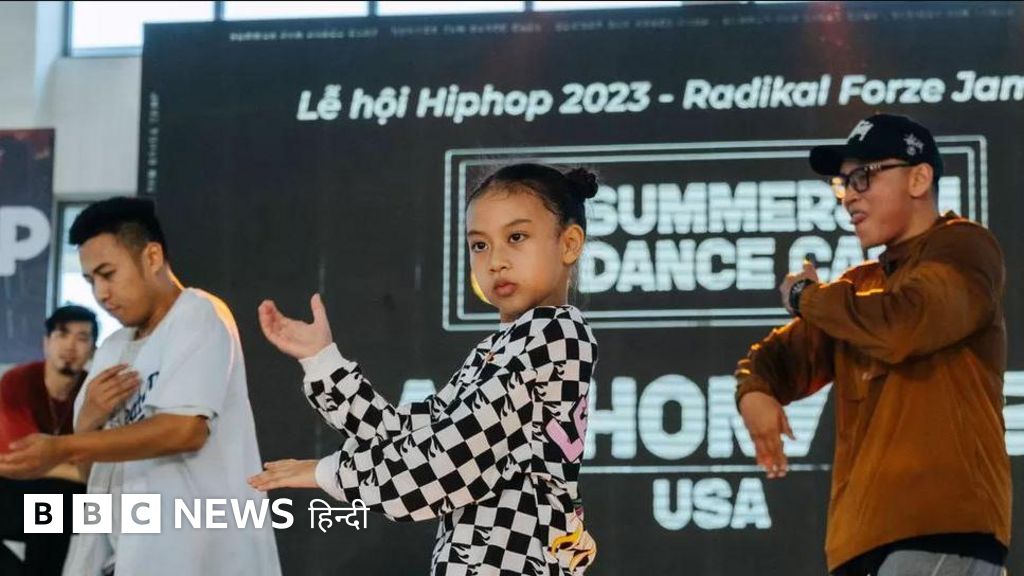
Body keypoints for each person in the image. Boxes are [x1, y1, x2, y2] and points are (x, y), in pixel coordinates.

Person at [249, 164, 600, 575]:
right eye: (479, 245)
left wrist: (328, 473)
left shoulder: (555, 333)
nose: (496, 261)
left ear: (569, 244)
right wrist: (322, 361)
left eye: (516, 237)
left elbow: (446, 464)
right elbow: (408, 436)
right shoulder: (503, 347)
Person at [735, 114, 1011, 576]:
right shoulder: (859, 288)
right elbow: (774, 360)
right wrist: (754, 392)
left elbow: (904, 324)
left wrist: (805, 297)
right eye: (843, 183)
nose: (849, 196)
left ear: (919, 178)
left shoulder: (965, 248)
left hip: (940, 532)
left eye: (863, 177)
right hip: (860, 544)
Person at [0, 197, 281, 576]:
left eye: (108, 274)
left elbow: (184, 430)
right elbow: (90, 473)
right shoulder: (112, 348)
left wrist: (63, 446)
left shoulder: (198, 313)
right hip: (124, 550)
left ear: (151, 257)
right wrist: (88, 421)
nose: (101, 293)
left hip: (200, 550)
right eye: (91, 281)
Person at [0, 305, 97, 575]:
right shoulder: (18, 381)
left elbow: (99, 470)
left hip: (67, 502)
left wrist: (50, 463)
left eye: (82, 338)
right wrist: (74, 466)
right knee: (51, 503)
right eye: (62, 335)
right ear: (46, 342)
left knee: (54, 503)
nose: (70, 346)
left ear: (93, 350)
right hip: (12, 489)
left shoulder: (94, 392)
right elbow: (18, 461)